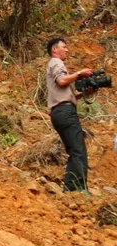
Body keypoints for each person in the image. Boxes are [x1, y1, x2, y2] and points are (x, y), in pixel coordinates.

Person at [45, 37, 96, 193]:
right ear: (54, 49)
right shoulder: (56, 62)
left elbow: (65, 93)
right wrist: (80, 73)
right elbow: (61, 81)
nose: (67, 50)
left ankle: (71, 187)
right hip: (65, 112)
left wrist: (84, 94)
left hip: (60, 112)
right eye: (64, 47)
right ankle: (77, 189)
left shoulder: (55, 64)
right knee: (79, 151)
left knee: (75, 150)